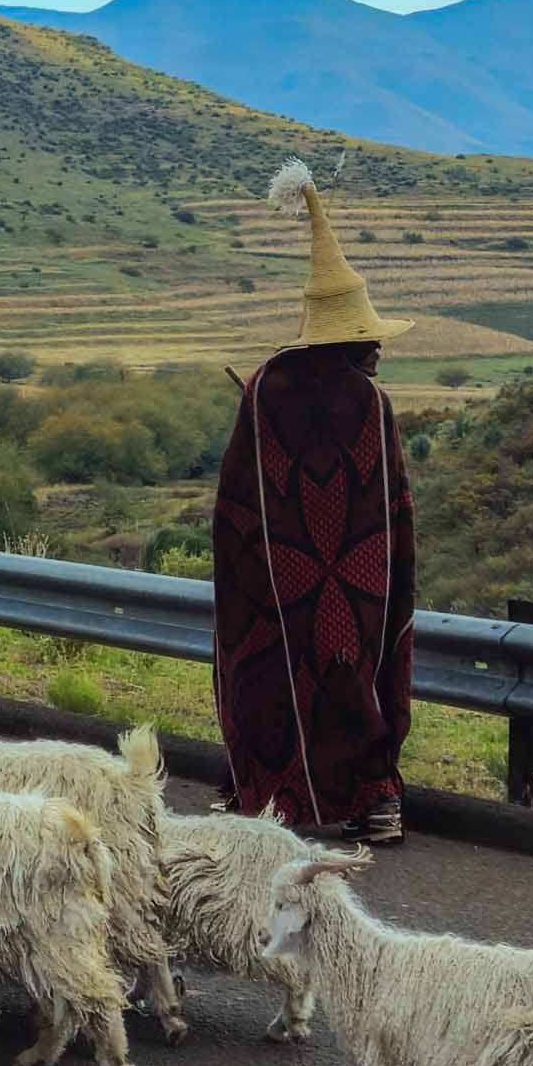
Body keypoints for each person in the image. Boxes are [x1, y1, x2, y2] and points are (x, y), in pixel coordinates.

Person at [209, 159, 415, 844]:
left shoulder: (266, 388)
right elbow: (389, 506)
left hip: (272, 576)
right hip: (357, 582)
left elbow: (238, 496)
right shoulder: (368, 401)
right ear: (353, 336)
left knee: (268, 674)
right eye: (372, 335)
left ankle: (268, 794)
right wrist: (382, 575)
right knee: (354, 676)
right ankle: (372, 799)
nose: (380, 345)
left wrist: (253, 570)